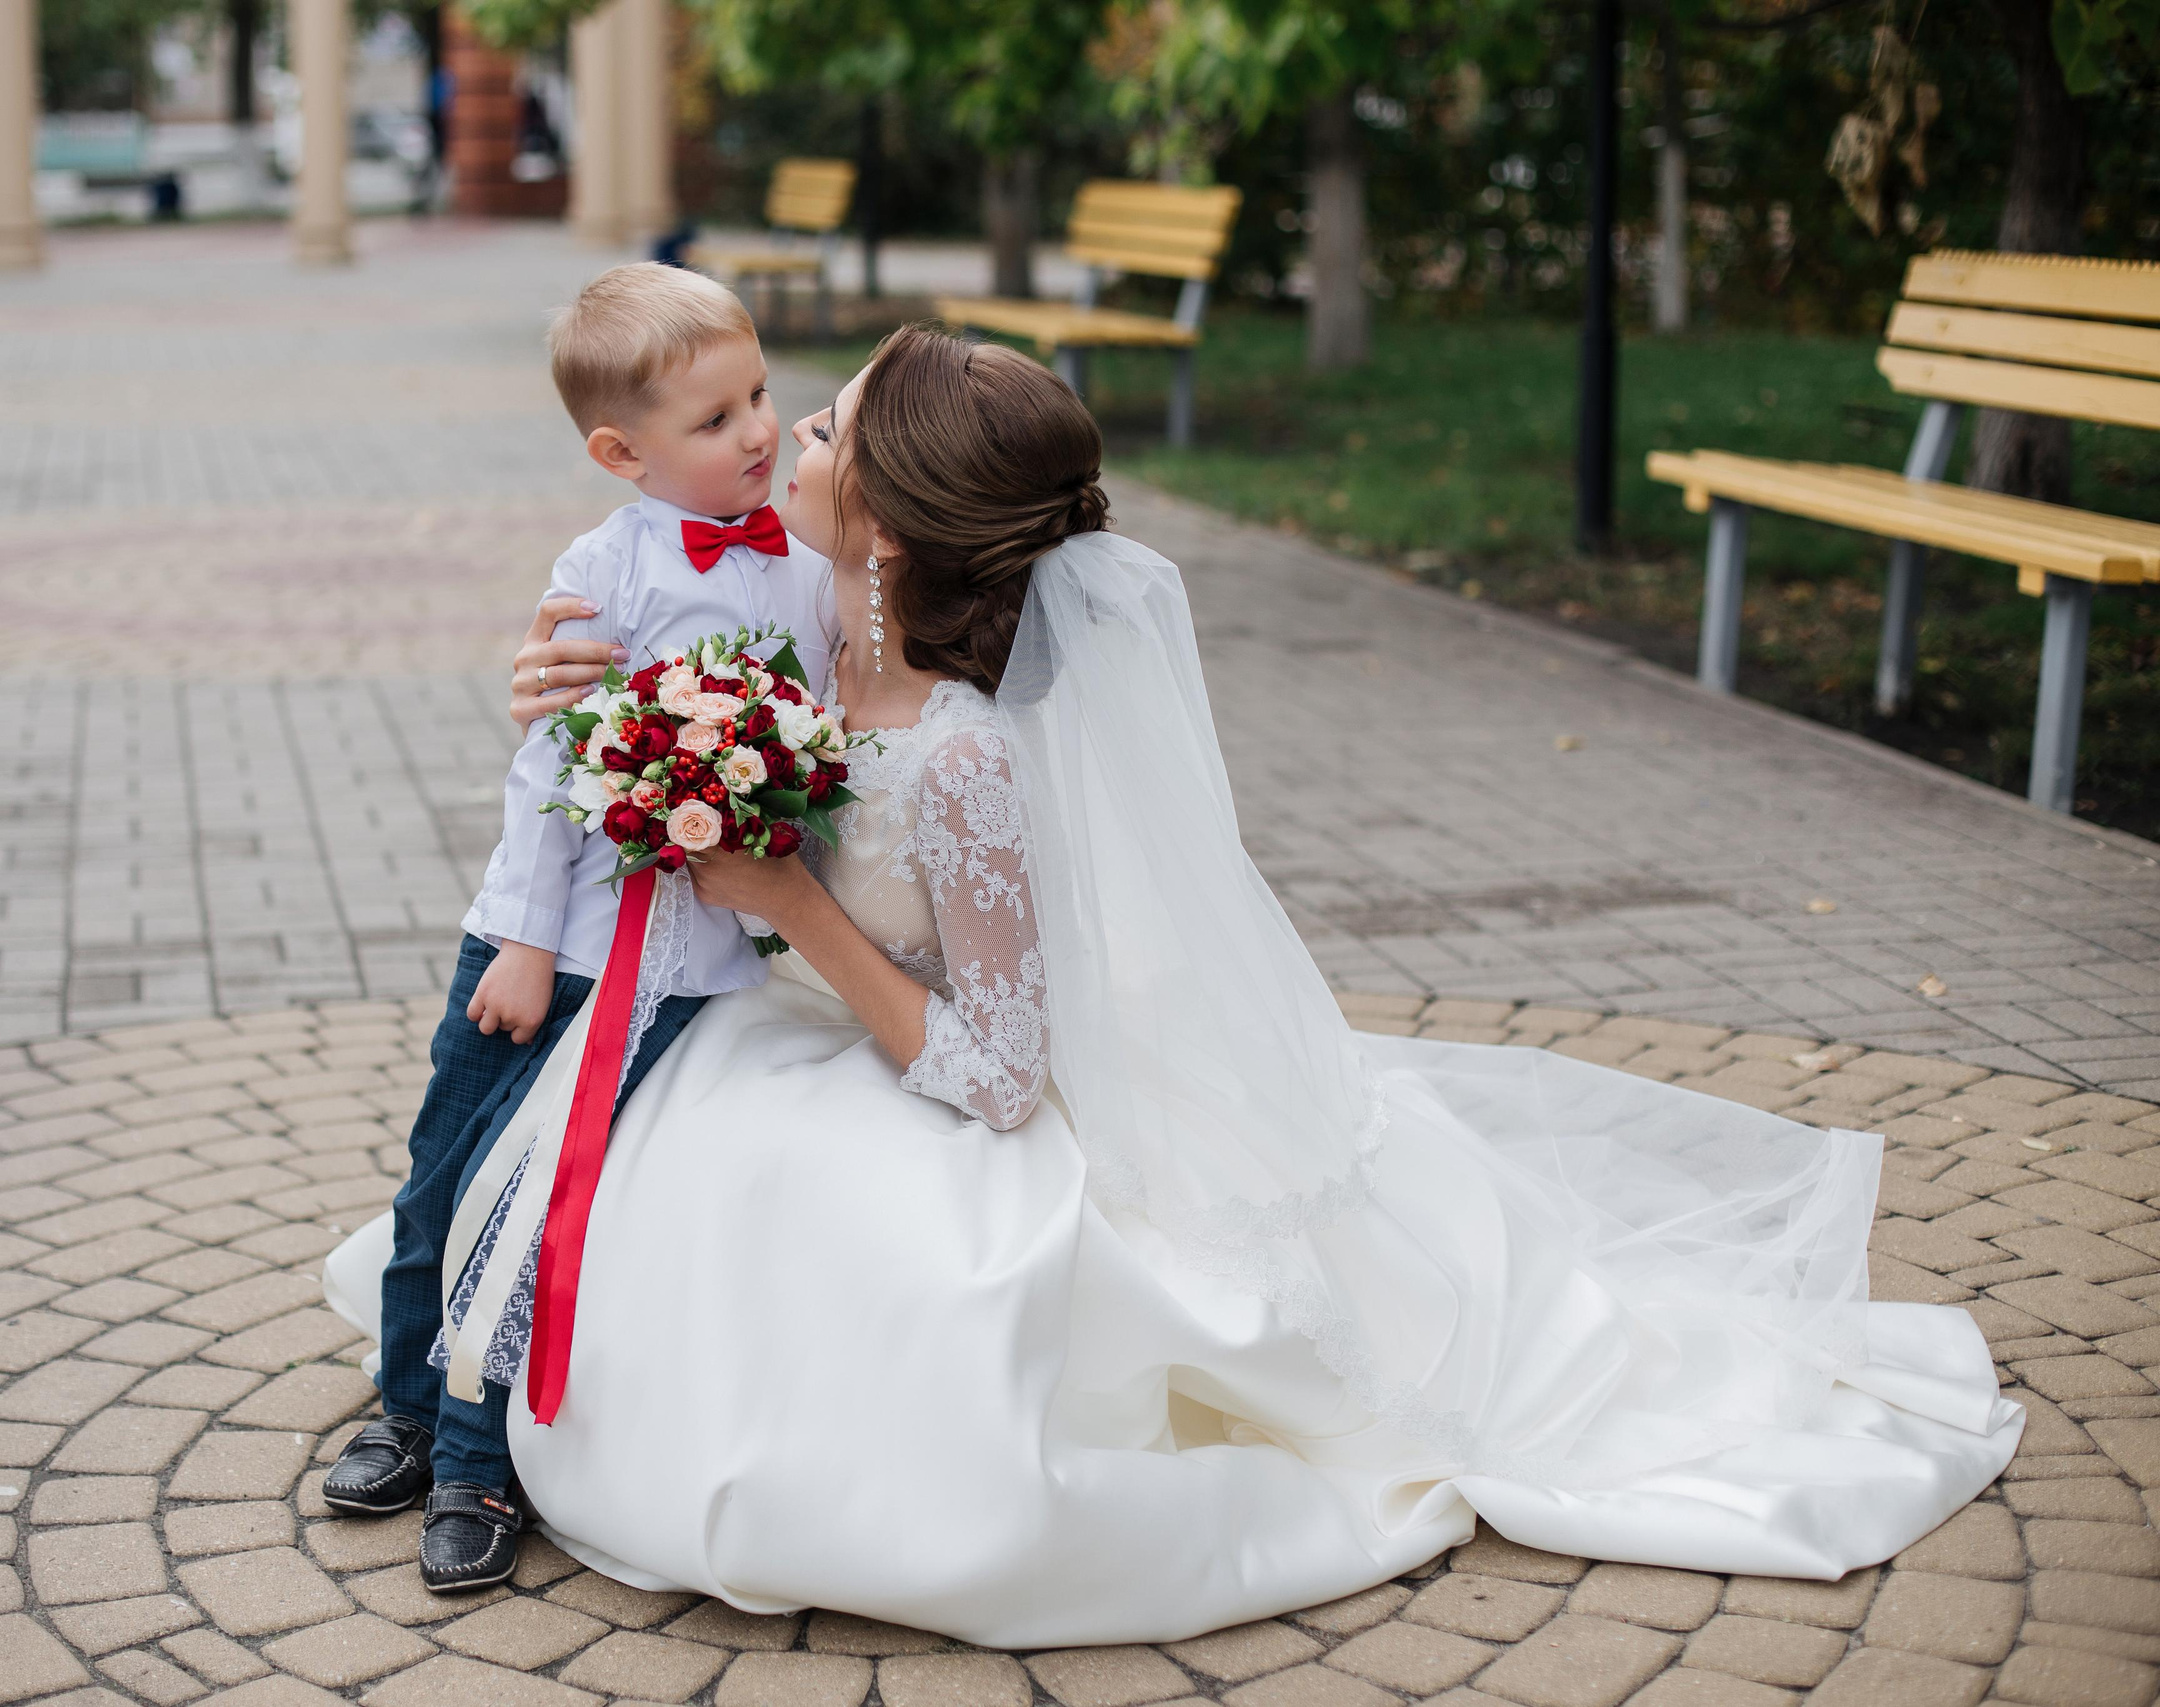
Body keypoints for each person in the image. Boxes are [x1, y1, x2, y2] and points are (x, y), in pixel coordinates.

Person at [331, 325, 2018, 1645]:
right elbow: (658, 610)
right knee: (627, 1176)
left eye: (826, 427)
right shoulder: (809, 616)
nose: (788, 441)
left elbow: (998, 1072)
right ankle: (467, 1404)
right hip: (817, 1026)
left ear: (898, 532)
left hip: (942, 1072)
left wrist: (786, 900)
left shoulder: (970, 755)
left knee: (820, 1251)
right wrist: (576, 675)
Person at [318, 262, 834, 1594]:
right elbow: (555, 764)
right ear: (622, 452)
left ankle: (484, 1465)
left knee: (548, 1208)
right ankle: (408, 1412)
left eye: (763, 397)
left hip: (683, 974)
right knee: (445, 1179)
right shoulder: (603, 568)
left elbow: (820, 748)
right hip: (541, 951)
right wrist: (532, 941)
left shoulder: (808, 580)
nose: (761, 432)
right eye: (716, 421)